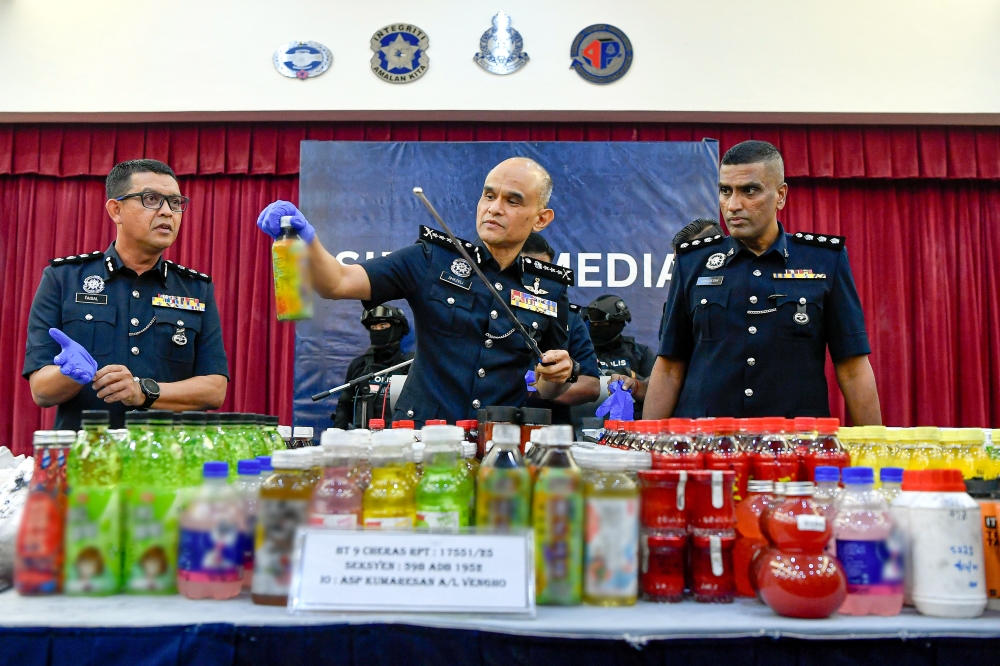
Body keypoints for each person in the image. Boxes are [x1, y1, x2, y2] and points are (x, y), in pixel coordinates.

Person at [256, 157, 590, 424]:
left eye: (513, 201)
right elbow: (338, 282)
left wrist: (557, 373)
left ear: (541, 218)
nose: (495, 208)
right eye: (489, 195)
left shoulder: (548, 286)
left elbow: (548, 387)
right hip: (423, 436)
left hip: (500, 442)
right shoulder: (432, 259)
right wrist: (308, 240)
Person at [642, 140, 881, 423]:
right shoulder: (693, 262)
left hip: (794, 444)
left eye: (749, 191)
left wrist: (871, 452)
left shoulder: (824, 261)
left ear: (780, 195)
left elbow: (852, 367)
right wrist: (648, 450)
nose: (733, 205)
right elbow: (670, 365)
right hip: (706, 445)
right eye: (725, 191)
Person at [23, 159, 229, 430]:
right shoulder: (64, 279)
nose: (168, 212)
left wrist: (143, 391)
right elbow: (41, 391)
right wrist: (69, 374)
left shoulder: (195, 289)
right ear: (116, 209)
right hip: (87, 457)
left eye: (176, 202)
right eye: (152, 199)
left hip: (168, 461)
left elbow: (214, 389)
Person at [519, 233, 601, 425]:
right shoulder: (487, 311)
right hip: (491, 426)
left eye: (543, 274)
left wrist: (542, 389)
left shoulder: (569, 319)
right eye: (527, 271)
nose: (535, 282)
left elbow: (591, 386)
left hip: (549, 432)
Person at [332, 305, 413, 429]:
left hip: (399, 439)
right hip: (363, 440)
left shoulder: (411, 365)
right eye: (373, 327)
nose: (378, 331)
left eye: (383, 326)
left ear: (398, 328)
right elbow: (344, 405)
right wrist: (337, 434)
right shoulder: (359, 365)